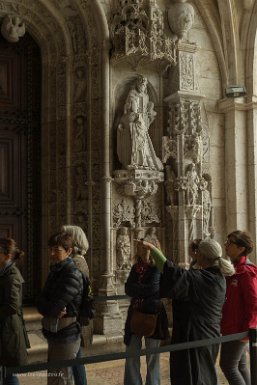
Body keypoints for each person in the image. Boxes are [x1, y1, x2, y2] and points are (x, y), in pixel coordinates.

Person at [136, 238, 235, 385]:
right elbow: (179, 276)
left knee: (194, 377)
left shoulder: (205, 278)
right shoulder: (215, 276)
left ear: (201, 255)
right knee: (201, 375)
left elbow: (174, 274)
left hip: (195, 337)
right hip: (205, 335)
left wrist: (153, 249)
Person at [37, 232, 83, 385]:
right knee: (57, 376)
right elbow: (41, 302)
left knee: (61, 378)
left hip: (66, 332)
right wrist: (48, 306)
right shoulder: (55, 271)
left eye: (56, 250)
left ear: (69, 251)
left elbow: (54, 305)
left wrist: (49, 306)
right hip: (54, 331)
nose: (52, 254)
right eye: (50, 249)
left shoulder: (73, 274)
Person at [123, 239, 169, 385]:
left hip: (153, 314)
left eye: (144, 247)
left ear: (153, 249)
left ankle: (153, 383)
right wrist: (140, 291)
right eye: (139, 247)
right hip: (136, 313)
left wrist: (138, 290)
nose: (141, 250)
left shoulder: (157, 269)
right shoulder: (135, 268)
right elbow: (128, 289)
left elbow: (152, 289)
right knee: (131, 353)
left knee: (152, 356)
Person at [220, 230, 257, 385]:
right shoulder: (233, 269)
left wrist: (249, 328)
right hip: (230, 327)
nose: (226, 246)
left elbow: (254, 302)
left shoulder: (247, 272)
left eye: (230, 243)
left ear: (241, 249)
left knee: (228, 366)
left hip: (239, 330)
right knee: (240, 366)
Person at [61, 225, 91, 385]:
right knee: (74, 358)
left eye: (66, 236)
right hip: (72, 319)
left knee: (76, 359)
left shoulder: (77, 263)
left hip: (75, 319)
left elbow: (73, 293)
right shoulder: (73, 262)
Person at [117, 75, 163, 171]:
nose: (142, 86)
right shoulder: (132, 93)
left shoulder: (146, 96)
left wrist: (149, 116)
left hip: (142, 122)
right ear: (137, 85)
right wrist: (134, 114)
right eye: (141, 84)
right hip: (134, 122)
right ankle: (133, 161)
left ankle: (143, 162)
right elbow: (127, 109)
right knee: (134, 142)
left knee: (143, 144)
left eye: (144, 85)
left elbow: (146, 110)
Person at [0, 238, 30, 385]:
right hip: (4, 328)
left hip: (9, 330)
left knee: (9, 373)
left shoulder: (12, 275)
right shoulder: (3, 272)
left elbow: (12, 306)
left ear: (7, 256)